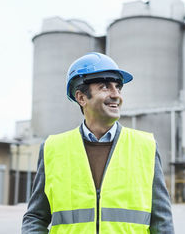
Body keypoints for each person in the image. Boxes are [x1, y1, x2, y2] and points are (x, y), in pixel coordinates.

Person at [22, 52, 174, 234]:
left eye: (118, 87)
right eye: (105, 87)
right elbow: (35, 217)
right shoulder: (53, 148)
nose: (116, 95)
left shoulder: (145, 146)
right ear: (81, 97)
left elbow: (162, 222)